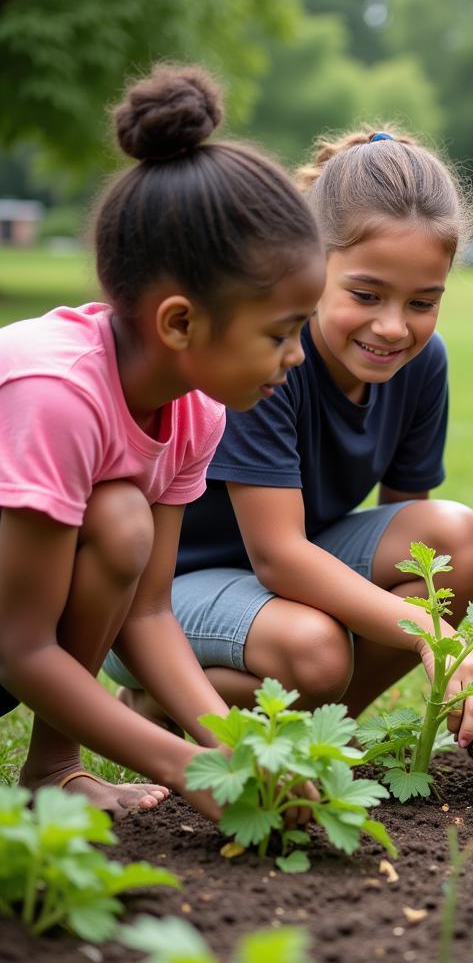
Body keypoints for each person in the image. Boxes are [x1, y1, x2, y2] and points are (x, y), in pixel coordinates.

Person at [0, 64, 325, 816]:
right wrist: (186, 766)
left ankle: (52, 772)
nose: (297, 356)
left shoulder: (192, 406)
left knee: (121, 519)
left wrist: (230, 750)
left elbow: (148, 612)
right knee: (118, 515)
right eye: (280, 333)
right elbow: (21, 650)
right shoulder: (55, 396)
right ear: (180, 323)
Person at [106, 128, 473, 747]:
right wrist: (435, 635)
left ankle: (331, 734)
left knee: (457, 543)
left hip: (283, 579)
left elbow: (412, 540)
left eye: (423, 302)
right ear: (311, 266)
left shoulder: (424, 364)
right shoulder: (269, 358)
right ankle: (161, 698)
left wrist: (414, 620)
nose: (394, 327)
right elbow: (277, 554)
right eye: (366, 294)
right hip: (171, 593)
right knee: (317, 651)